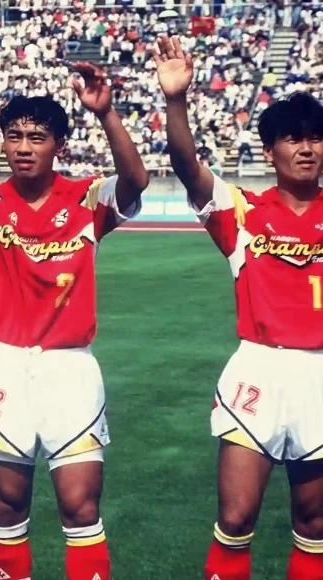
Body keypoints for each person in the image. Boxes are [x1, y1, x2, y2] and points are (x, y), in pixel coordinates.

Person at [0, 41, 150, 580]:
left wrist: (107, 112)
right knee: (6, 507)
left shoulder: (88, 200)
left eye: (37, 137)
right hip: (5, 365)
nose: (23, 147)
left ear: (59, 146)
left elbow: (137, 182)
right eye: (15, 136)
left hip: (70, 367)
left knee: (80, 508)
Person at [154, 35, 323, 580]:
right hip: (259, 367)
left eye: (317, 138)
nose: (306, 148)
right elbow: (185, 165)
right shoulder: (243, 211)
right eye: (293, 139)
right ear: (269, 151)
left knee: (315, 523)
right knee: (235, 515)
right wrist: (176, 100)